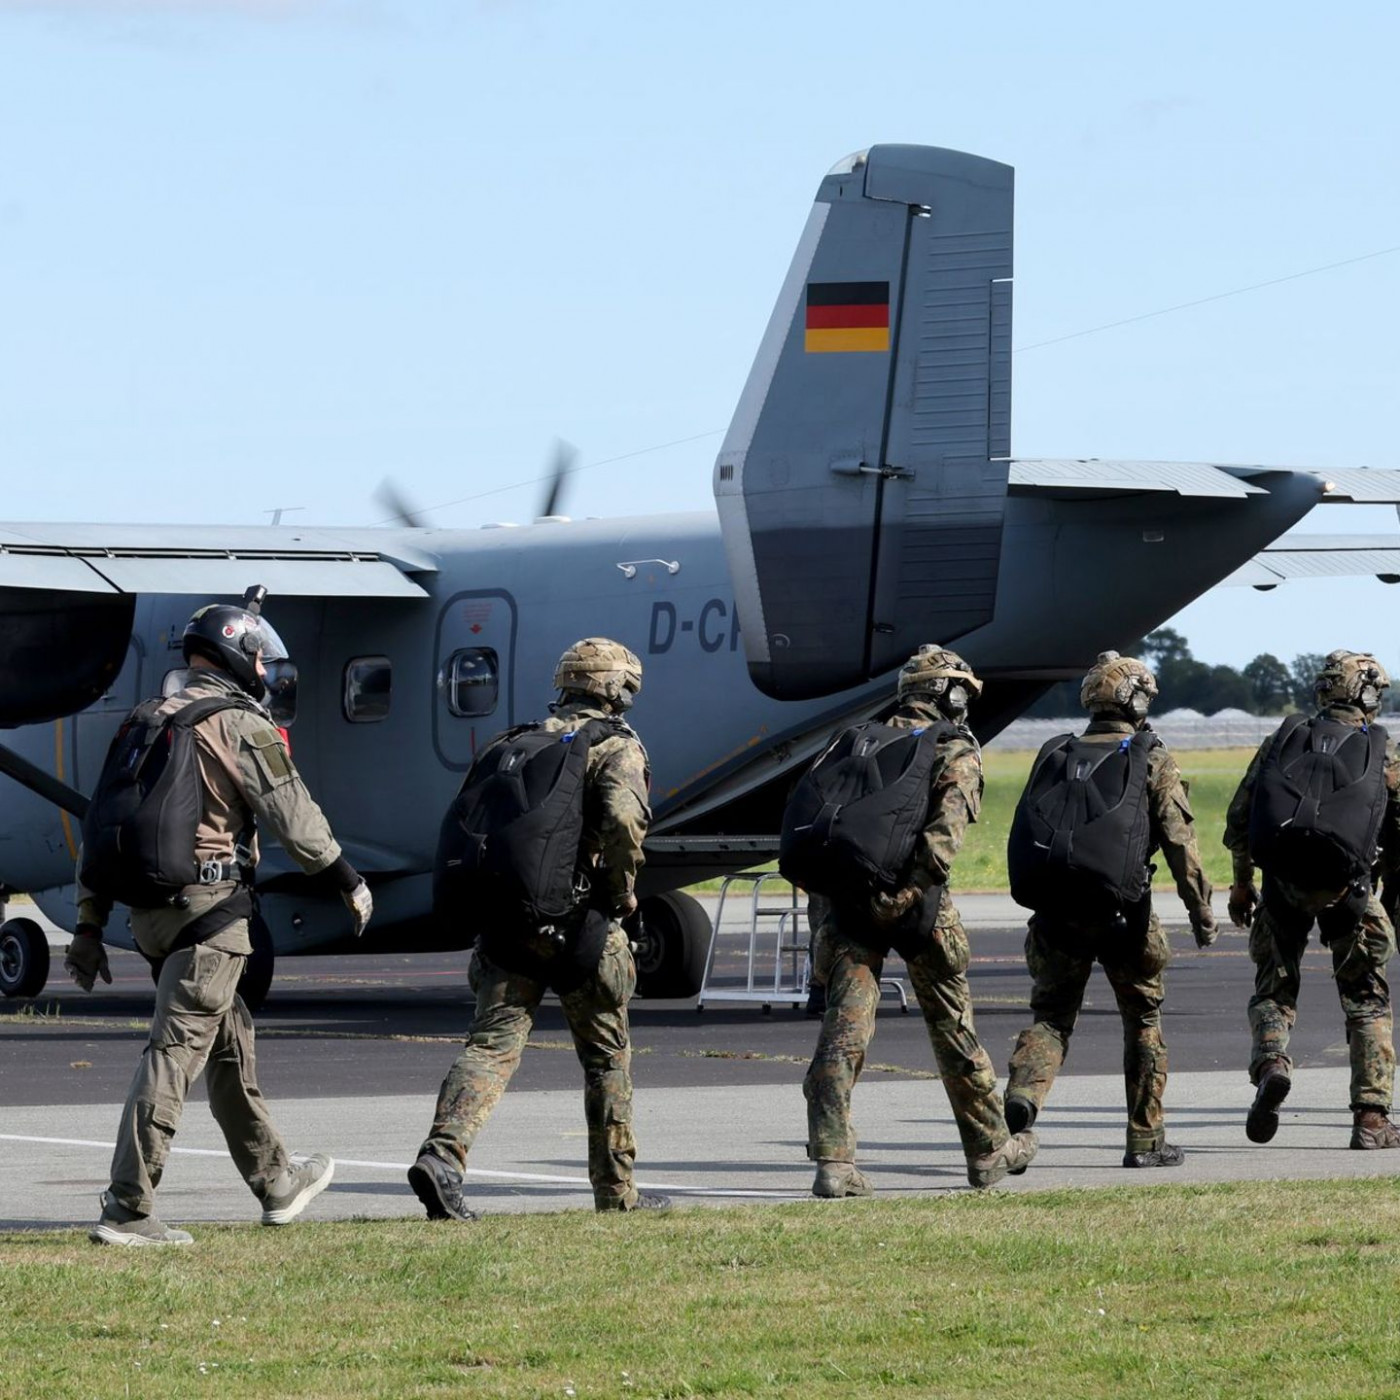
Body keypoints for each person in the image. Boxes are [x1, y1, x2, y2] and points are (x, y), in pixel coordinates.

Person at [65, 597, 373, 1245]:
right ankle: (128, 1207)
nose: (264, 668)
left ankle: (276, 1183)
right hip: (211, 915)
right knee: (173, 1054)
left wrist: (90, 926)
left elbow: (103, 825)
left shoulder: (147, 719)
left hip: (149, 916)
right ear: (239, 655)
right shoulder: (238, 722)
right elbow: (292, 812)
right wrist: (347, 879)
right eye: (259, 656)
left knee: (229, 1052)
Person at [408, 638, 669, 1219]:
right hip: (584, 929)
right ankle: (617, 1191)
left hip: (509, 922)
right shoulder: (616, 746)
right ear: (619, 689)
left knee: (489, 1048)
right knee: (606, 1058)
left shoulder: (517, 741)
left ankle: (443, 1157)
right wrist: (624, 893)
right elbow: (626, 820)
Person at [797, 645, 1038, 1196]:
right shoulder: (954, 748)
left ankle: (833, 1163)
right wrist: (906, 894)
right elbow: (944, 839)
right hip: (920, 908)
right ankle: (989, 1150)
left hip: (847, 906)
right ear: (949, 694)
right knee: (954, 1030)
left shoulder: (852, 740)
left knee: (842, 1035)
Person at [1003, 651, 1215, 1168]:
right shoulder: (1150, 756)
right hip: (1126, 917)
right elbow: (1179, 842)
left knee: (1051, 1017)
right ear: (1137, 700)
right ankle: (1146, 1140)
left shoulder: (1056, 752)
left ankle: (1025, 1094)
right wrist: (1200, 910)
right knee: (1143, 1018)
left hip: (1054, 914)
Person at [1225, 649, 1400, 1150]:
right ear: (1368, 695)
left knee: (1273, 992)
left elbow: (1241, 819)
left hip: (1282, 887)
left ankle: (1273, 1061)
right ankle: (1371, 1120)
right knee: (1367, 1002)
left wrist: (1242, 884)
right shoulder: (1384, 752)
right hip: (1352, 890)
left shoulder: (1284, 740)